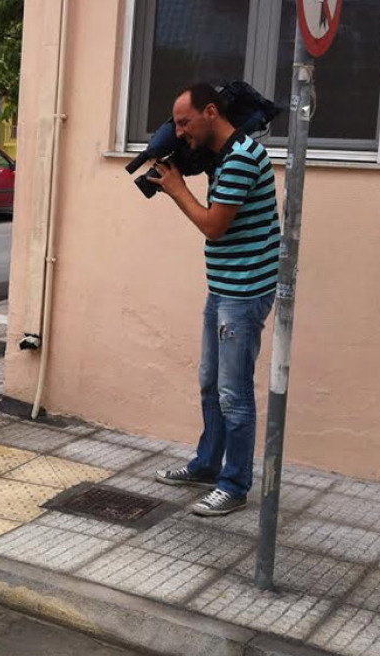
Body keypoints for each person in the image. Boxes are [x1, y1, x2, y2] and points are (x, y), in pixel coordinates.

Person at [151, 82, 280, 517]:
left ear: (211, 111)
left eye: (185, 122)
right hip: (224, 286)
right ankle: (208, 464)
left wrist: (175, 188)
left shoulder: (243, 157)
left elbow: (214, 226)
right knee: (211, 381)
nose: (180, 132)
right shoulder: (221, 155)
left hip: (244, 293)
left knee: (233, 392)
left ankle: (235, 483)